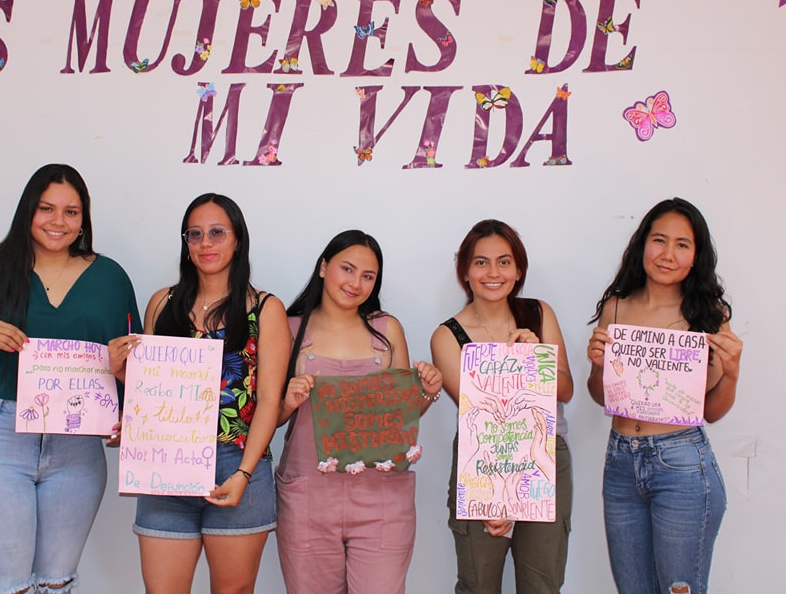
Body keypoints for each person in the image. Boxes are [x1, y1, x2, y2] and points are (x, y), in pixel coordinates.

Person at [0, 163, 141, 594]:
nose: (58, 222)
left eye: (71, 211)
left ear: (84, 219)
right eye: (47, 208)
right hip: (0, 440)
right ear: (28, 210)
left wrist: (128, 406)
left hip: (78, 448)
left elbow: (132, 362)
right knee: (6, 587)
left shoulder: (110, 278)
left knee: (57, 583)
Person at [108, 192, 289, 594]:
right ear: (186, 243)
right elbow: (151, 392)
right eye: (195, 234)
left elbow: (270, 402)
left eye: (217, 233)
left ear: (237, 239)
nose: (205, 243)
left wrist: (243, 473)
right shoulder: (163, 303)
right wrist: (123, 377)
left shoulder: (265, 309)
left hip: (236, 463)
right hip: (166, 468)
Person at [586, 198, 742, 594]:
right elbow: (598, 395)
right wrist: (600, 365)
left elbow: (712, 412)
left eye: (682, 244)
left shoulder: (708, 315)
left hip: (682, 464)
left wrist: (733, 372)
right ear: (642, 245)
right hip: (620, 462)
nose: (668, 254)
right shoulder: (616, 308)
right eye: (659, 240)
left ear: (696, 256)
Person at [275, 230, 444, 594]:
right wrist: (288, 402)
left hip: (382, 501)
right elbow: (265, 419)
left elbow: (399, 417)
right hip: (308, 499)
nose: (356, 283)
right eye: (347, 269)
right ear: (323, 267)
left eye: (368, 276)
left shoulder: (387, 330)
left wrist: (426, 394)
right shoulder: (287, 329)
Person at [429, 219, 574, 594]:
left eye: (504, 262)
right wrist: (498, 494)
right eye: (481, 262)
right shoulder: (447, 336)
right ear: (464, 271)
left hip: (545, 457)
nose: (493, 273)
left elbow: (566, 390)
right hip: (485, 459)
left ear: (519, 269)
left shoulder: (539, 314)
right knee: (478, 585)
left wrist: (534, 358)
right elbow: (479, 413)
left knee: (542, 585)